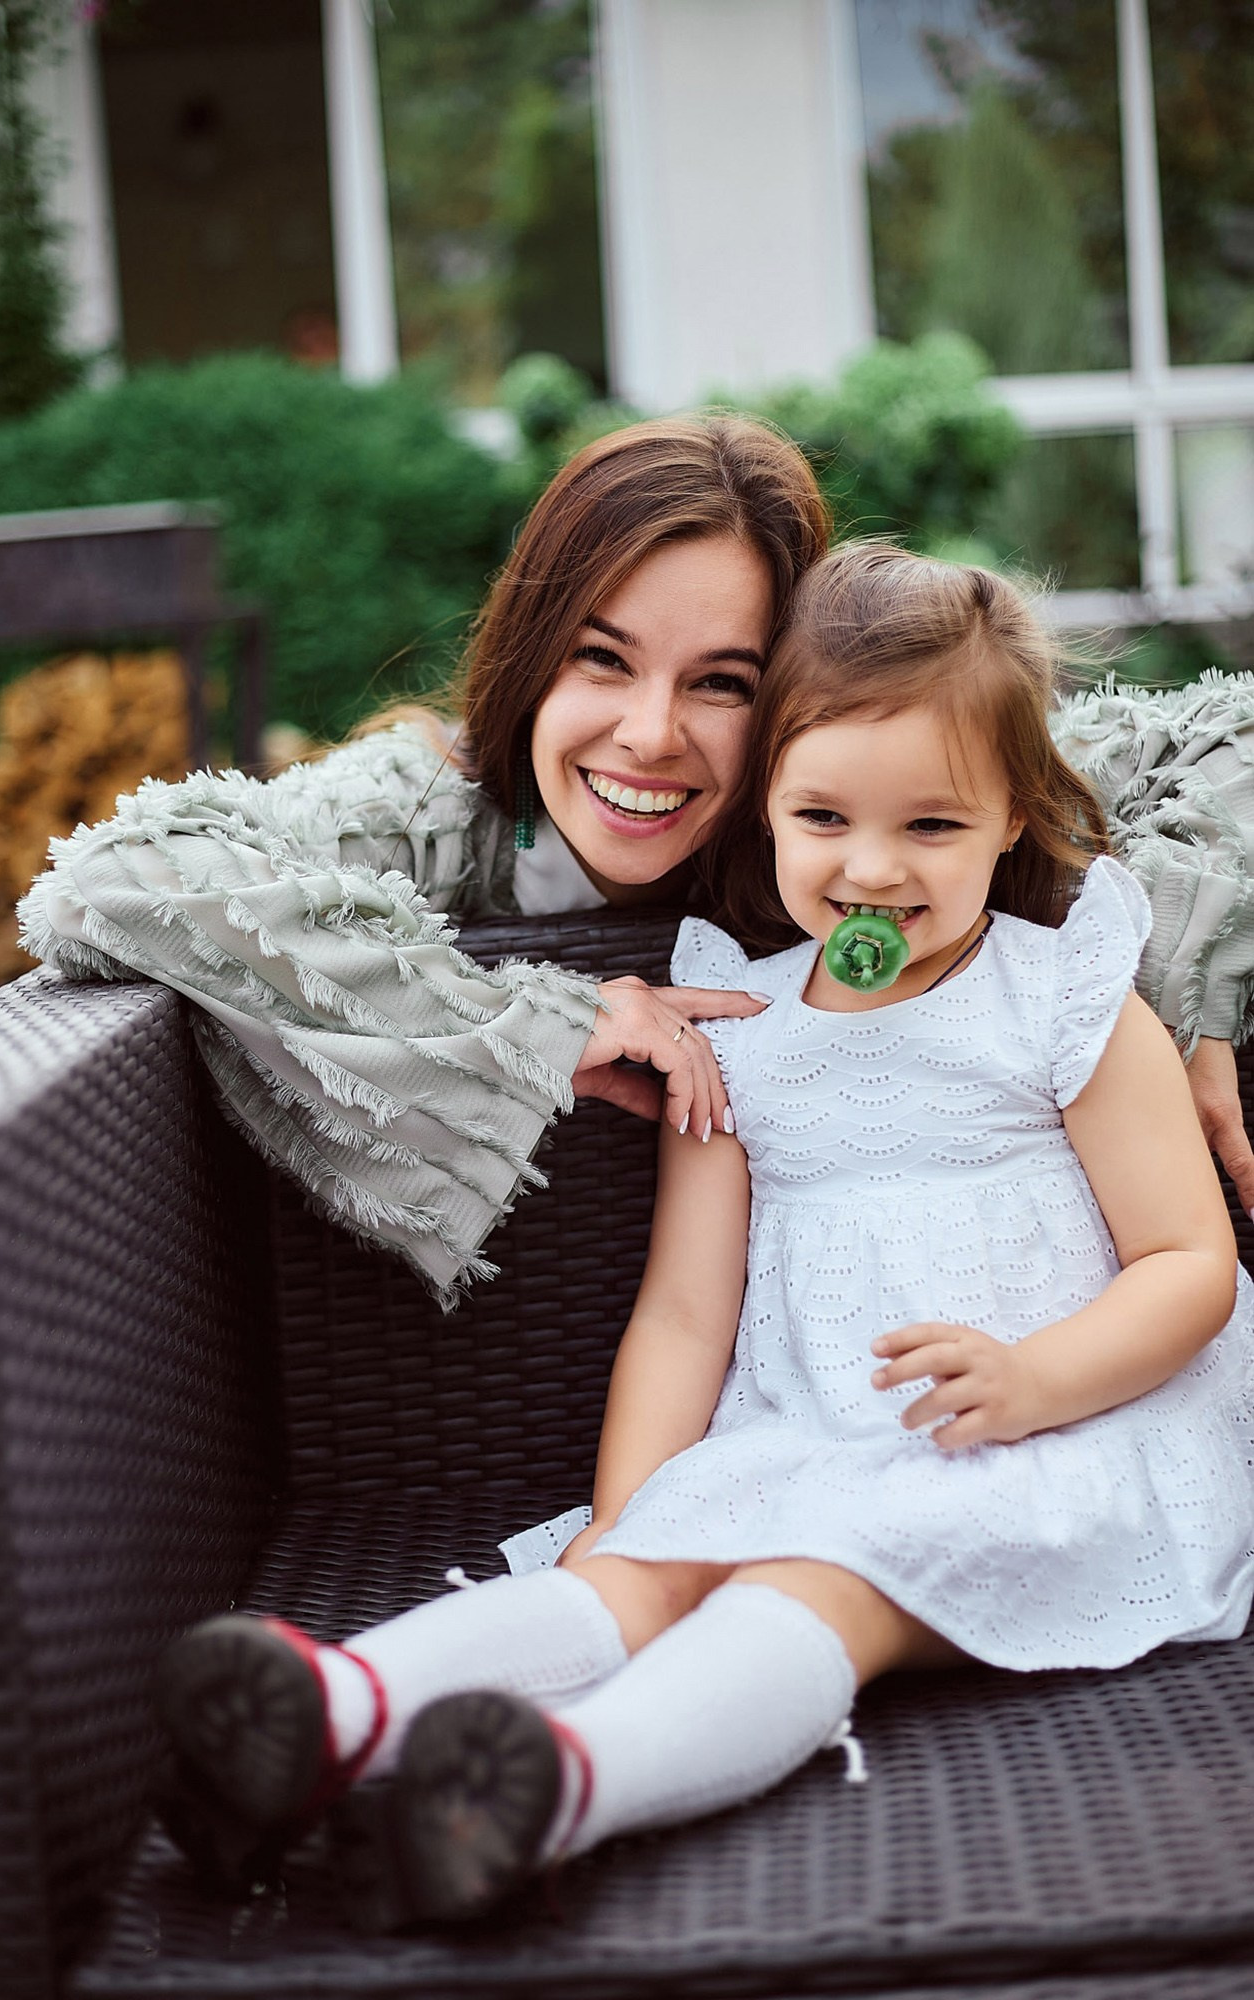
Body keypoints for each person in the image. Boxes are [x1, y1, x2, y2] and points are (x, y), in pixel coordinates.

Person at [153, 544, 1254, 1921]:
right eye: (821, 817)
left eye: (929, 826)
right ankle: (339, 1707)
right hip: (815, 1438)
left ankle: (551, 1788)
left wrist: (1037, 1380)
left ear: (1011, 819)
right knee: (642, 1568)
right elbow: (685, 1312)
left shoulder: (1064, 997)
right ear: (764, 811)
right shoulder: (740, 1027)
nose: (868, 868)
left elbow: (1186, 1265)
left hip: (1066, 1442)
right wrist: (630, 1510)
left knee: (816, 1582)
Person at [20, 422, 1254, 1294]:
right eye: (600, 659)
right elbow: (125, 870)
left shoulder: (872, 797)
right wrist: (534, 1017)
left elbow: (1224, 733)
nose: (650, 735)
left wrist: (1183, 979)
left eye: (721, 682)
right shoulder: (439, 803)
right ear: (528, 651)